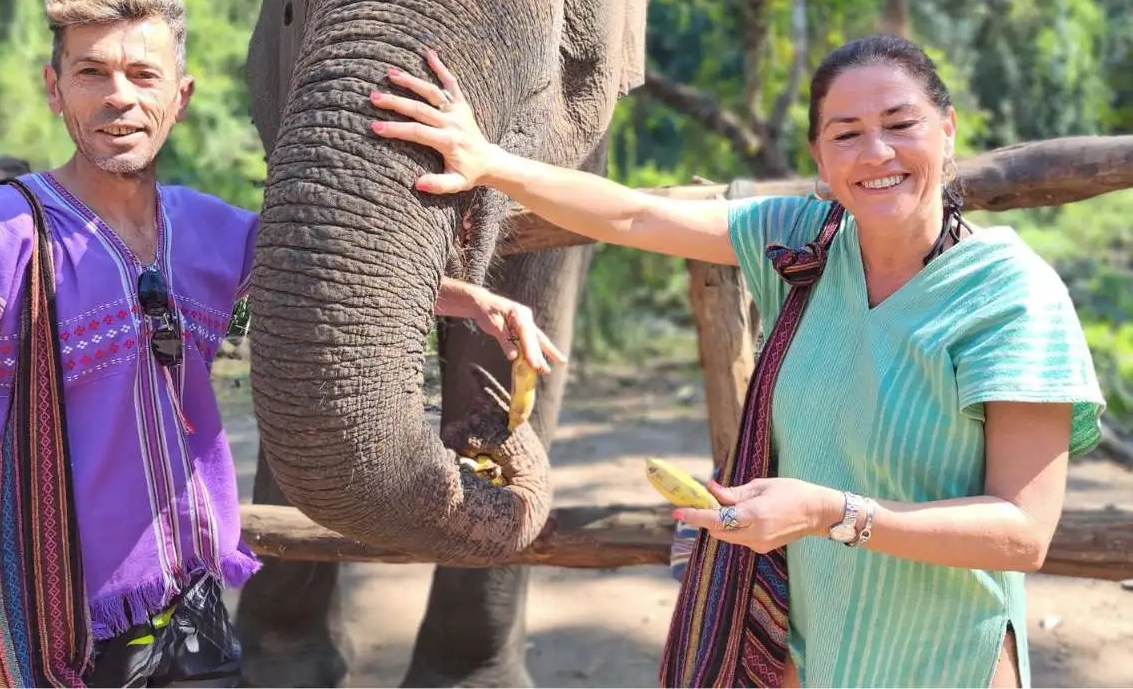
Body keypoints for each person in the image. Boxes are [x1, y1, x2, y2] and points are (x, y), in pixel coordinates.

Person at [0, 0, 565, 689]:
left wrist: (475, 303)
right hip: (38, 619)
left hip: (191, 604)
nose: (119, 95)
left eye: (143, 75)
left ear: (178, 99)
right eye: (92, 72)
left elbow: (327, 283)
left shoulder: (210, 228)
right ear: (55, 91)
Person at [370, 37, 1105, 688]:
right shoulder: (804, 243)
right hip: (805, 650)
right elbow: (633, 215)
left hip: (943, 660)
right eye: (846, 134)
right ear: (819, 158)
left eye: (901, 125)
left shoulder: (1010, 296)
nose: (876, 154)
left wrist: (831, 513)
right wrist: (487, 161)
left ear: (946, 132)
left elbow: (1022, 533)